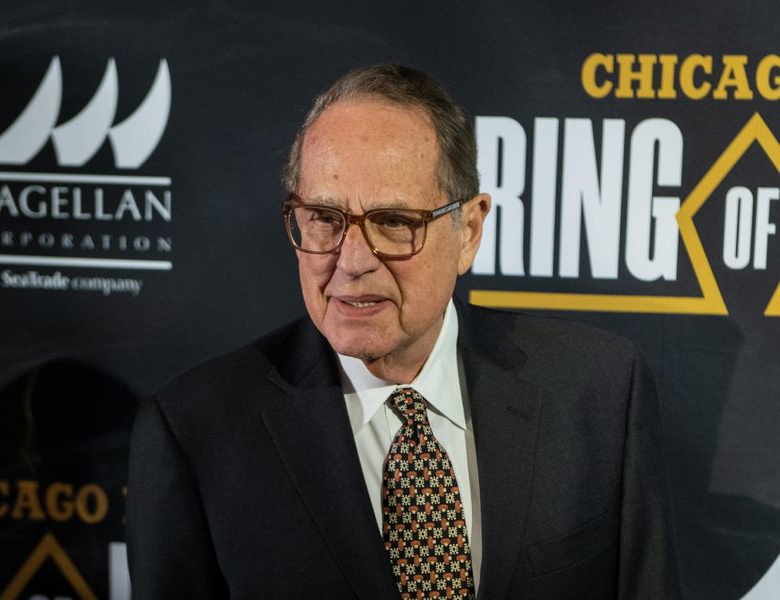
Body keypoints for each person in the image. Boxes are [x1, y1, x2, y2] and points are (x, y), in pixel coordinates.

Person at [126, 64, 681, 599]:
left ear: (468, 230)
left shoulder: (599, 392)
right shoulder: (197, 432)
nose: (351, 261)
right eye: (323, 217)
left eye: (393, 222)